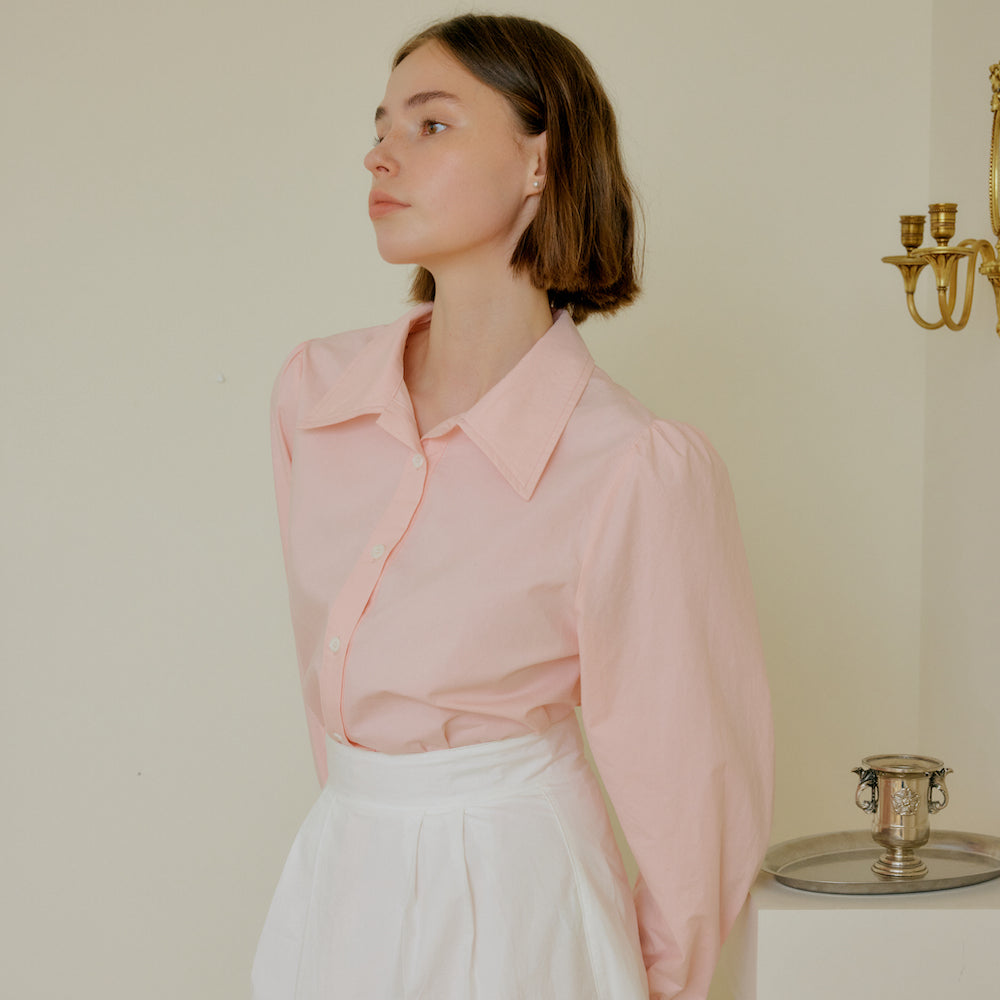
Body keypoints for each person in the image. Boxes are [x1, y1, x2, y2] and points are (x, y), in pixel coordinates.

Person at [252, 13, 773, 1000]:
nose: (380, 153)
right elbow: (330, 676)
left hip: (517, 900)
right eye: (380, 125)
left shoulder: (631, 465)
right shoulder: (315, 398)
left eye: (431, 124)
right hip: (336, 880)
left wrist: (657, 986)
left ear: (539, 162)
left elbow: (691, 789)